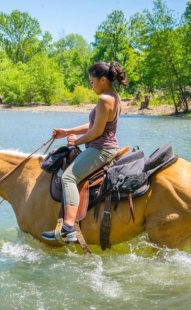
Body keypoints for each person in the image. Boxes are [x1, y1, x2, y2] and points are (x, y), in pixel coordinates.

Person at [42, 61, 128, 242]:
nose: (91, 86)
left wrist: (77, 141)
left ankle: (68, 228)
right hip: (107, 146)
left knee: (68, 177)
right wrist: (68, 132)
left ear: (103, 79)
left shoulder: (104, 100)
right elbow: (94, 125)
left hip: (101, 149)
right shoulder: (114, 96)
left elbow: (96, 132)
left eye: (92, 82)